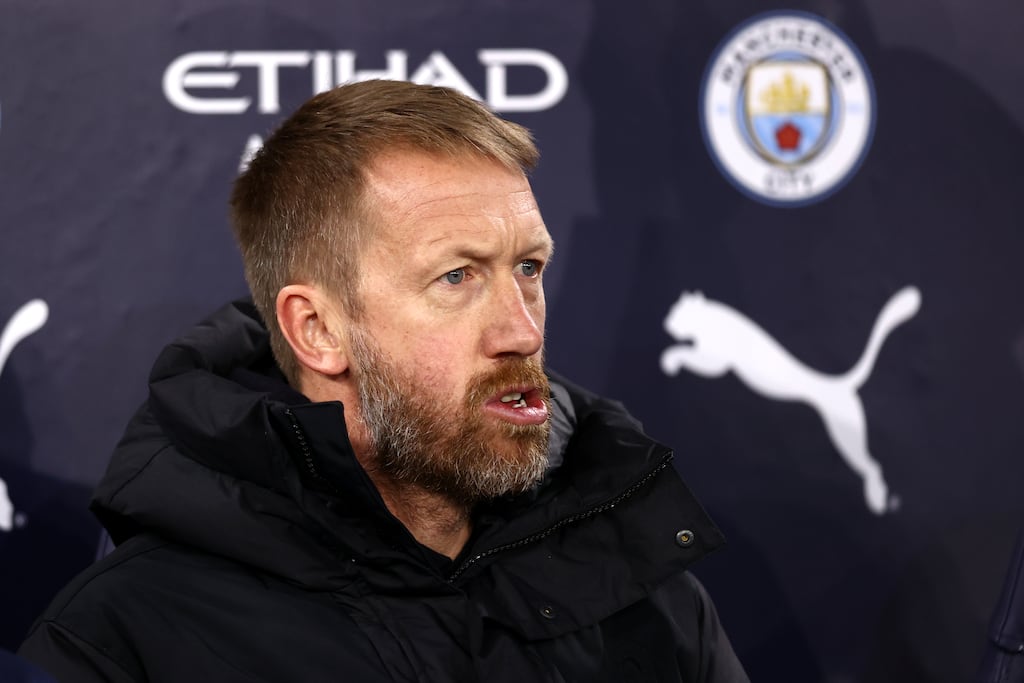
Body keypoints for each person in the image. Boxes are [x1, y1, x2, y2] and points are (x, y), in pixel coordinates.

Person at [18, 79, 749, 682]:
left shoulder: (645, 599)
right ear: (317, 330)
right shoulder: (124, 639)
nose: (524, 331)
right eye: (457, 276)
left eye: (528, 268)